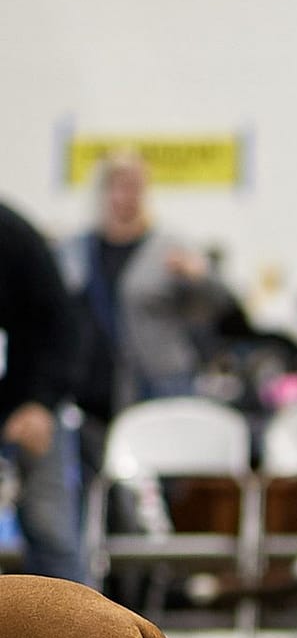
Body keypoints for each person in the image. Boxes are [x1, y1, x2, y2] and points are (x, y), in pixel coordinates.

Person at [63, 152, 235, 431]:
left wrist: (200, 276)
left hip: (160, 380)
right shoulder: (77, 250)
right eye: (118, 185)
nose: (125, 196)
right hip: (95, 384)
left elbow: (222, 304)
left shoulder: (168, 247)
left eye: (134, 186)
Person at [0, 200, 84, 583]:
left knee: (51, 531)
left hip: (27, 402)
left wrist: (39, 402)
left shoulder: (12, 234)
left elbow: (59, 327)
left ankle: (76, 622)